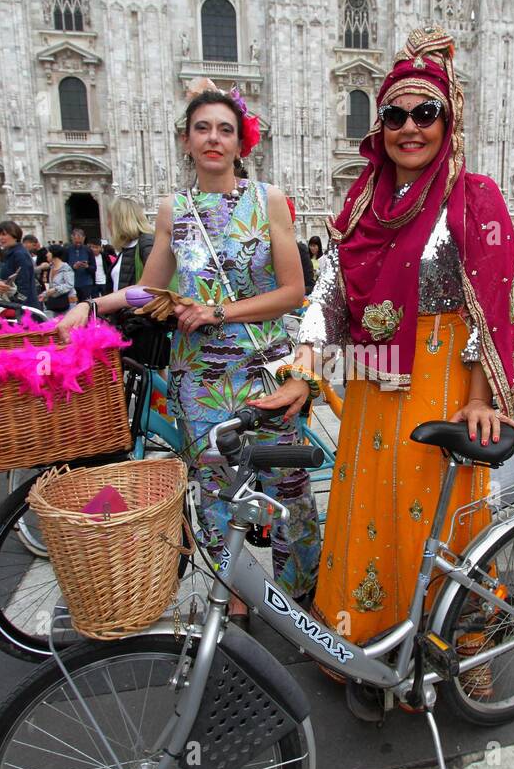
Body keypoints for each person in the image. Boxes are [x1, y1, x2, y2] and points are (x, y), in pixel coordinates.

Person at [250, 27, 514, 674]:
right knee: (367, 508)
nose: (410, 127)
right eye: (395, 115)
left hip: (444, 377)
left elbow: (488, 299)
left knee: (438, 516)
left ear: (448, 120)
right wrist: (304, 369)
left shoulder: (474, 196)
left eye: (425, 112)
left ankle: (465, 648)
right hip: (374, 381)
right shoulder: (364, 200)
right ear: (379, 125)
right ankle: (364, 645)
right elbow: (332, 290)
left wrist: (478, 399)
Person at [58, 77, 319, 611]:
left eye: (226, 129)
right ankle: (235, 602)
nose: (213, 139)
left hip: (264, 368)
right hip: (197, 379)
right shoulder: (172, 209)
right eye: (202, 128)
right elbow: (150, 289)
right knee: (218, 496)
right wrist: (93, 306)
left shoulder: (267, 200)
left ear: (242, 142)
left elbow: (293, 291)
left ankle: (301, 600)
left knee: (289, 489)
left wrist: (219, 310)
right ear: (186, 140)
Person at [107, 196, 153, 292]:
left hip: (138, 306)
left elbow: (155, 287)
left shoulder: (146, 244)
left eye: (109, 218)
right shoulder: (126, 248)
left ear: (119, 220)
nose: (108, 223)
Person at [0, 220, 40, 310]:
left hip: (23, 308)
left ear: (15, 235)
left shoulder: (19, 254)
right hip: (14, 304)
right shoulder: (10, 253)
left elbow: (24, 285)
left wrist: (18, 305)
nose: (0, 238)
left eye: (4, 234)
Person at [40, 246, 74, 314]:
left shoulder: (66, 268)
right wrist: (44, 294)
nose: (46, 254)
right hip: (55, 303)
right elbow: (50, 286)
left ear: (54, 253)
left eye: (48, 252)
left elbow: (69, 285)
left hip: (67, 303)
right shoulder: (50, 268)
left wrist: (55, 289)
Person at [65, 228, 95, 302]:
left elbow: (94, 268)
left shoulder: (88, 250)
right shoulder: (67, 250)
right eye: (76, 241)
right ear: (72, 238)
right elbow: (63, 267)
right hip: (71, 284)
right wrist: (73, 267)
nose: (78, 243)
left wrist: (87, 266)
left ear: (84, 238)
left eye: (80, 241)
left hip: (86, 284)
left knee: (85, 304)